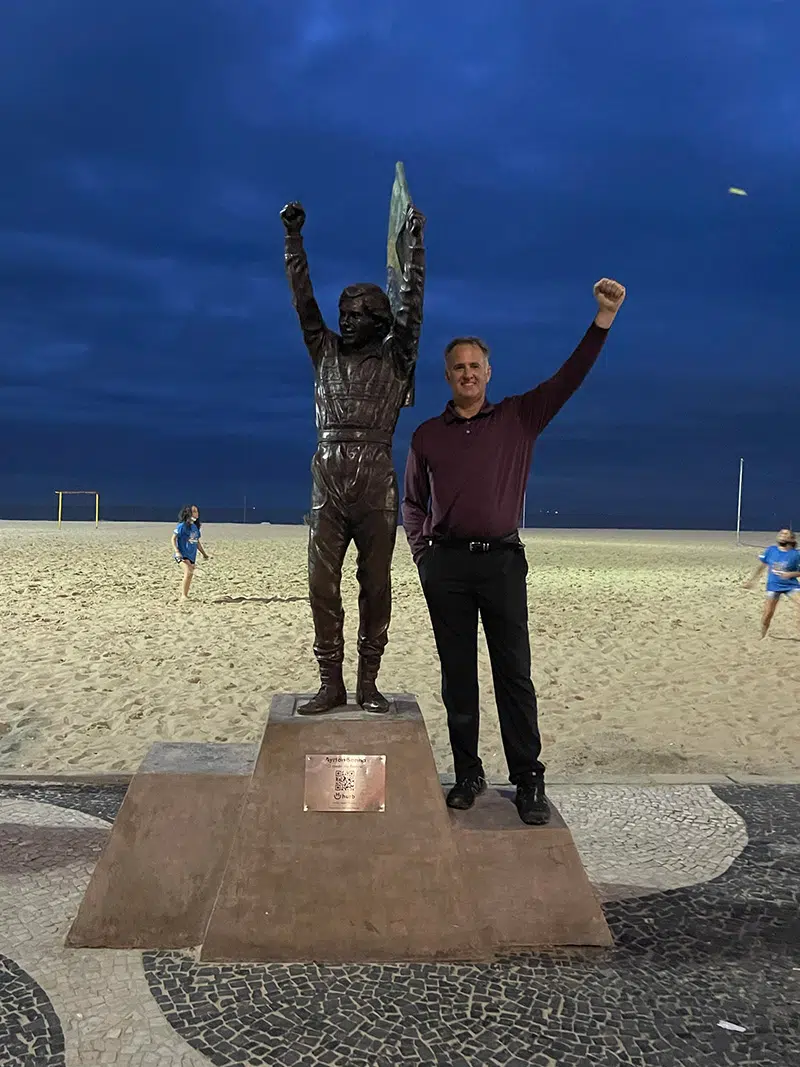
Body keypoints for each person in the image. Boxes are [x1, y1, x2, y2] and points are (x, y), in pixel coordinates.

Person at [402, 278, 626, 825]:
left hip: (502, 562)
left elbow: (569, 377)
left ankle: (528, 780)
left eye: (476, 366)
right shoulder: (428, 435)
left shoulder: (519, 418)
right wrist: (423, 557)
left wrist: (602, 319)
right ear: (448, 376)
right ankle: (468, 772)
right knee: (457, 676)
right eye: (458, 367)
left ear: (489, 373)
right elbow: (411, 501)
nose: (468, 374)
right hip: (447, 566)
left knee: (514, 675)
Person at [280, 198, 426, 714]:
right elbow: (303, 301)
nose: (345, 322)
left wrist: (415, 247)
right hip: (328, 474)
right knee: (321, 582)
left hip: (376, 478)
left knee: (376, 584)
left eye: (356, 315)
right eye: (342, 314)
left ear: (376, 320)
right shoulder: (324, 353)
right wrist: (294, 239)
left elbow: (411, 311)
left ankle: (368, 681)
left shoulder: (395, 358)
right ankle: (330, 681)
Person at [744, 528, 800, 638]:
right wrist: (752, 581)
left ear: (791, 539)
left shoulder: (796, 554)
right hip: (773, 586)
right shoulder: (771, 550)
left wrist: (791, 574)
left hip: (791, 585)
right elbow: (761, 567)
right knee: (768, 614)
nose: (782, 535)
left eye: (786, 534)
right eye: (781, 533)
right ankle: (763, 635)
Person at [171, 505, 210, 601]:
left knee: (190, 574)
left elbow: (197, 542)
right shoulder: (182, 526)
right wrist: (177, 551)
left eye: (197, 511)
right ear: (188, 513)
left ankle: (186, 595)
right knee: (188, 572)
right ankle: (183, 596)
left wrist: (204, 554)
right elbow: (173, 538)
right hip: (182, 554)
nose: (197, 513)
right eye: (194, 511)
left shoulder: (195, 528)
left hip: (191, 555)